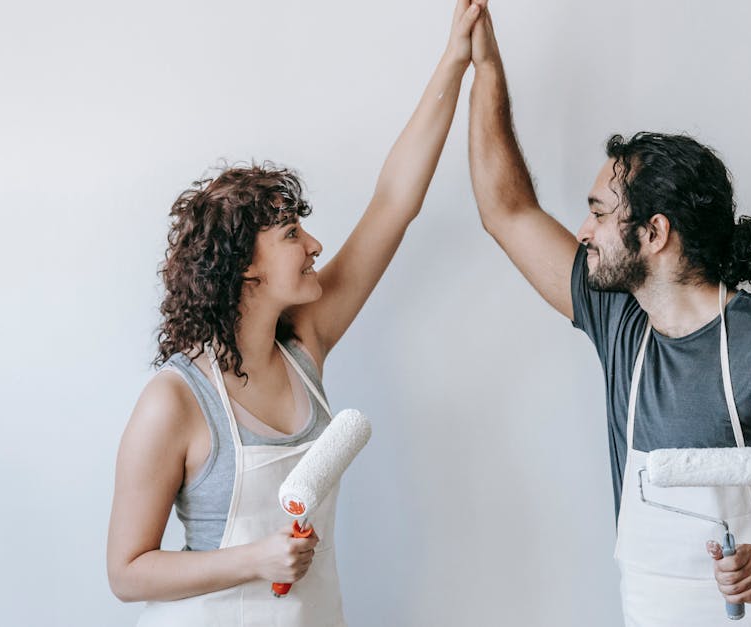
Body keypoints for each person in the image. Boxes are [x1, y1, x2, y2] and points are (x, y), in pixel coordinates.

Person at [105, 2, 484, 624]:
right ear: (243, 266)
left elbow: (393, 203)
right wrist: (256, 559)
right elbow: (126, 571)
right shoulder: (174, 401)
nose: (314, 245)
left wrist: (454, 60)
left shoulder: (304, 345)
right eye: (290, 235)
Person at [465, 3, 751, 624]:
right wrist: (486, 65)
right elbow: (507, 210)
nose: (583, 231)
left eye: (599, 213)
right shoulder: (618, 320)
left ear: (654, 233)